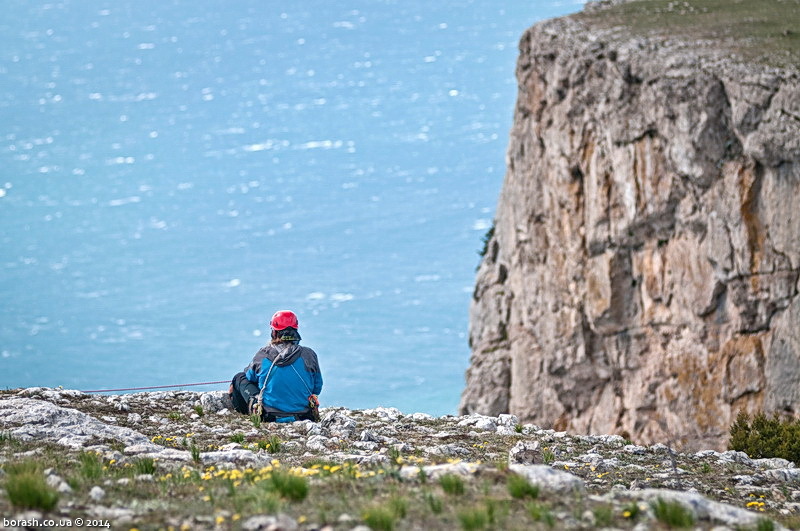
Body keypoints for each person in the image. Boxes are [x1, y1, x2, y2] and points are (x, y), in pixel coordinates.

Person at [229, 310, 322, 422]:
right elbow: (317, 387)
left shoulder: (263, 354)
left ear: (274, 332)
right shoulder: (309, 355)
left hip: (270, 416)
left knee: (239, 378)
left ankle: (247, 414)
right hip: (304, 416)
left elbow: (249, 377)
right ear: (296, 330)